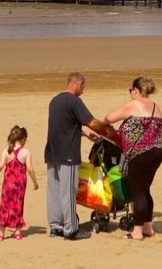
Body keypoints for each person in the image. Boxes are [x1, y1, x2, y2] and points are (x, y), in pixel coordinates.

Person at [44, 72, 107, 241]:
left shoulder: (55, 101)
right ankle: (71, 229)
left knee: (54, 191)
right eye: (83, 88)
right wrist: (106, 128)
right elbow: (91, 122)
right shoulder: (74, 100)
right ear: (78, 84)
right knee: (68, 192)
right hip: (68, 154)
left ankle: (55, 226)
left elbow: (65, 127)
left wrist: (86, 135)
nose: (83, 91)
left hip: (52, 153)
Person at [103, 76, 162, 240]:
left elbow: (109, 118)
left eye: (130, 90)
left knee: (137, 191)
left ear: (136, 90)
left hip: (140, 153)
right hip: (157, 151)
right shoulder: (155, 107)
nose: (130, 93)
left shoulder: (133, 104)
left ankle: (137, 231)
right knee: (145, 189)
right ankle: (148, 227)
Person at [0, 125, 39, 242]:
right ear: (23, 139)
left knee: (4, 206)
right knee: (18, 205)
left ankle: (1, 233)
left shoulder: (6, 151)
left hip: (8, 184)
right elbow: (30, 169)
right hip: (20, 184)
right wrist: (35, 181)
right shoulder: (26, 152)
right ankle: (17, 232)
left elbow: (0, 165)